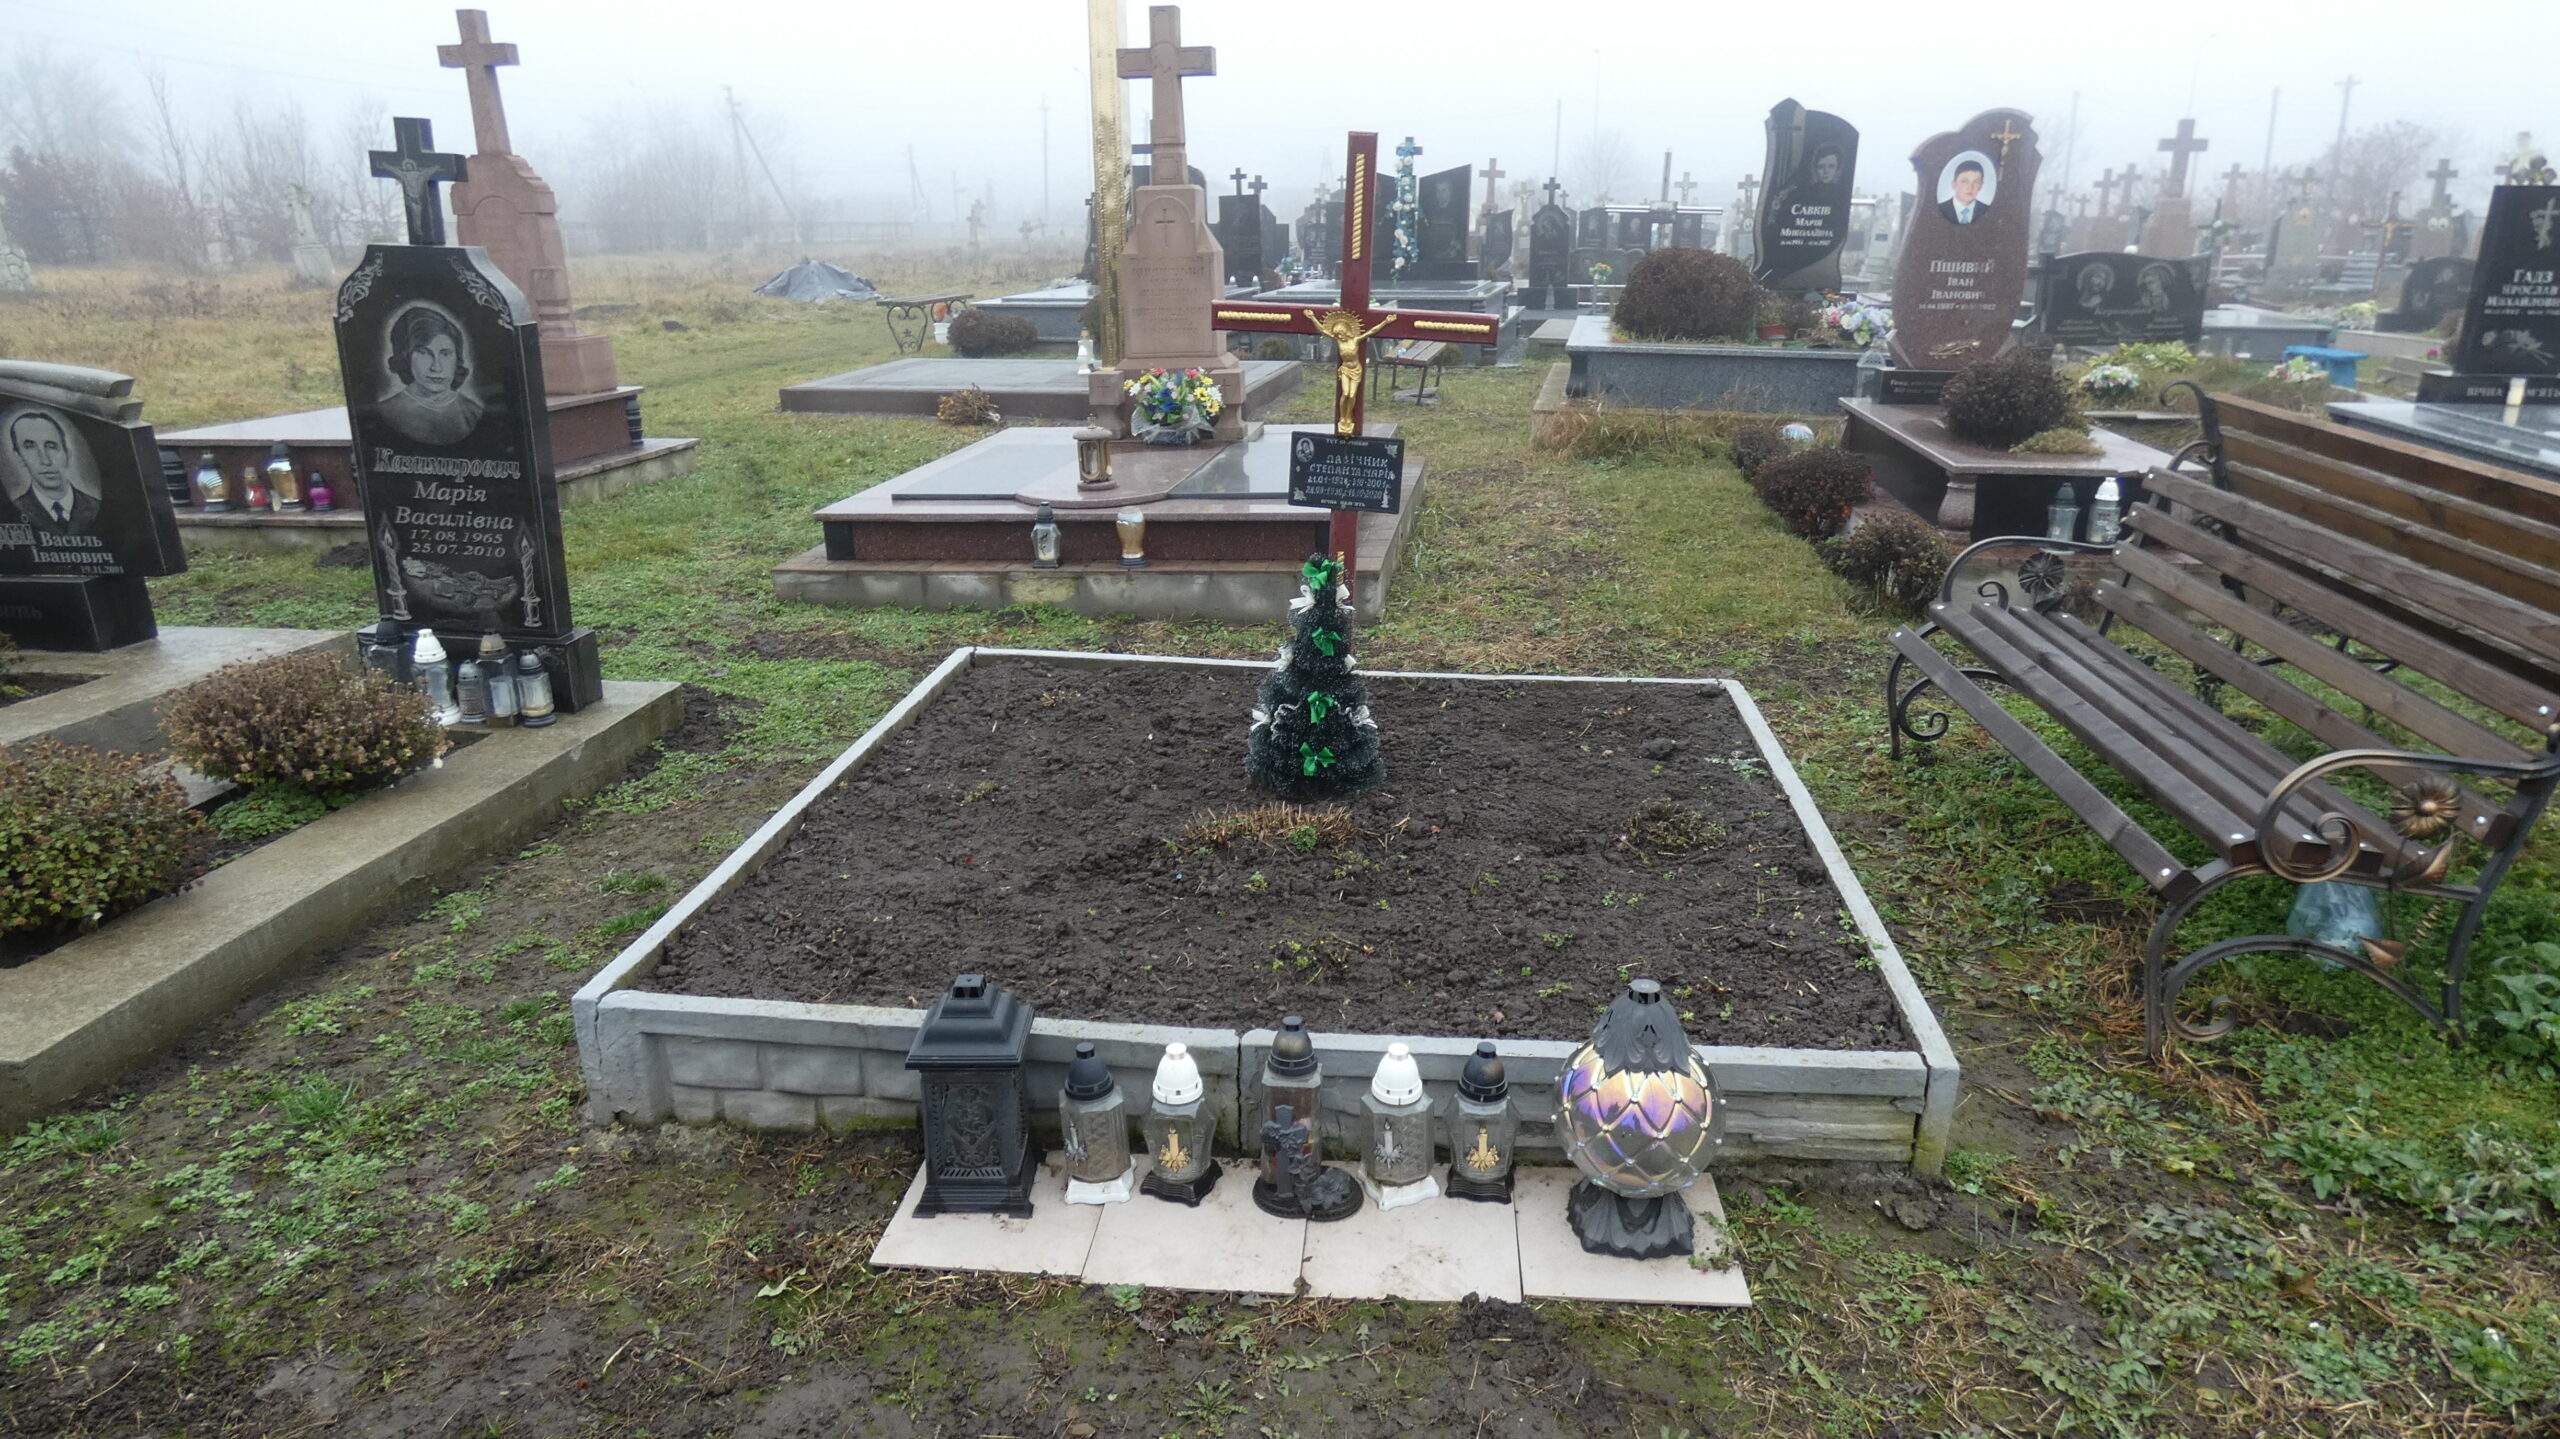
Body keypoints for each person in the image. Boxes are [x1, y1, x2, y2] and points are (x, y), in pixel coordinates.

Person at [373, 306, 484, 446]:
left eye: (445, 354)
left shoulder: (473, 413)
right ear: (405, 357)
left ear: (457, 359)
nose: (436, 367)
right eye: (424, 353)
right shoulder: (386, 412)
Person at [6, 409, 99, 535]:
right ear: (19, 457)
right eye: (30, 447)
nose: (45, 460)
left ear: (67, 453)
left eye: (51, 446)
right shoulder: (11, 510)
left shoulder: (94, 506)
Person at [1939, 159, 1993, 226]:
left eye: (1976, 182)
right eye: (1964, 181)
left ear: (1981, 186)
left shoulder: (1986, 209)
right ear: (1954, 184)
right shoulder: (1942, 208)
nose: (1970, 187)